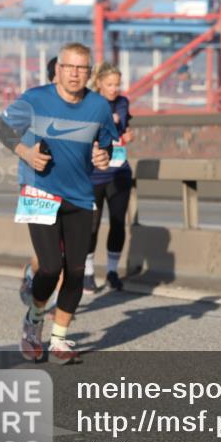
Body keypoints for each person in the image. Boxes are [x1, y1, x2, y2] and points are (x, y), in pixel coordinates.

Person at [0, 43, 117, 364]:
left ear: (89, 73)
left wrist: (103, 157)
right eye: (69, 67)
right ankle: (34, 322)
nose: (74, 74)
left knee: (75, 271)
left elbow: (106, 146)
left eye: (81, 68)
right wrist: (26, 153)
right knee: (50, 267)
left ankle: (59, 339)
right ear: (58, 69)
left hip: (80, 195)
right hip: (40, 191)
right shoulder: (36, 99)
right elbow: (1, 127)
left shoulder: (99, 106)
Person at [84, 61, 134, 294]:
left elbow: (122, 127)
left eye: (117, 84)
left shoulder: (123, 103)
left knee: (117, 222)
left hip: (119, 171)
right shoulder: (89, 103)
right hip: (93, 175)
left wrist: (124, 131)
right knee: (91, 226)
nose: (114, 89)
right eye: (110, 84)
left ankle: (112, 272)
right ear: (99, 84)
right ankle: (88, 273)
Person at [19, 54, 61, 305]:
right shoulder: (34, 101)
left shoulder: (84, 106)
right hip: (37, 184)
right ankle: (31, 274)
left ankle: (58, 309)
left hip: (70, 187)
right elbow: (6, 131)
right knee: (48, 258)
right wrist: (28, 153)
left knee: (65, 253)